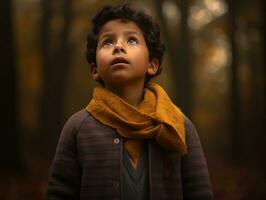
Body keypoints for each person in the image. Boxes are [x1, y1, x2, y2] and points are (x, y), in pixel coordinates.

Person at [46, 4, 214, 200]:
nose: (118, 46)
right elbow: (59, 193)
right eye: (107, 42)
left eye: (132, 40)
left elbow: (200, 192)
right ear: (95, 70)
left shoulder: (177, 125)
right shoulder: (77, 128)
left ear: (151, 64)